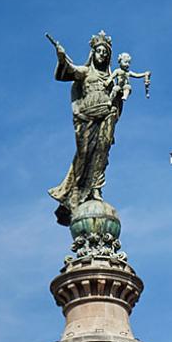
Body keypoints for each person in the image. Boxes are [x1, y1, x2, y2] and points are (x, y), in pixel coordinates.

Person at [46, 31, 126, 225]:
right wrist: (61, 57)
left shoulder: (111, 77)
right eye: (99, 51)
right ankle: (75, 192)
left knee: (102, 152)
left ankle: (96, 189)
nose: (102, 55)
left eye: (105, 53)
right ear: (93, 53)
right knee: (84, 154)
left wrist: (118, 94)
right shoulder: (85, 72)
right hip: (86, 119)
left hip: (106, 115)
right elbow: (68, 71)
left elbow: (118, 99)